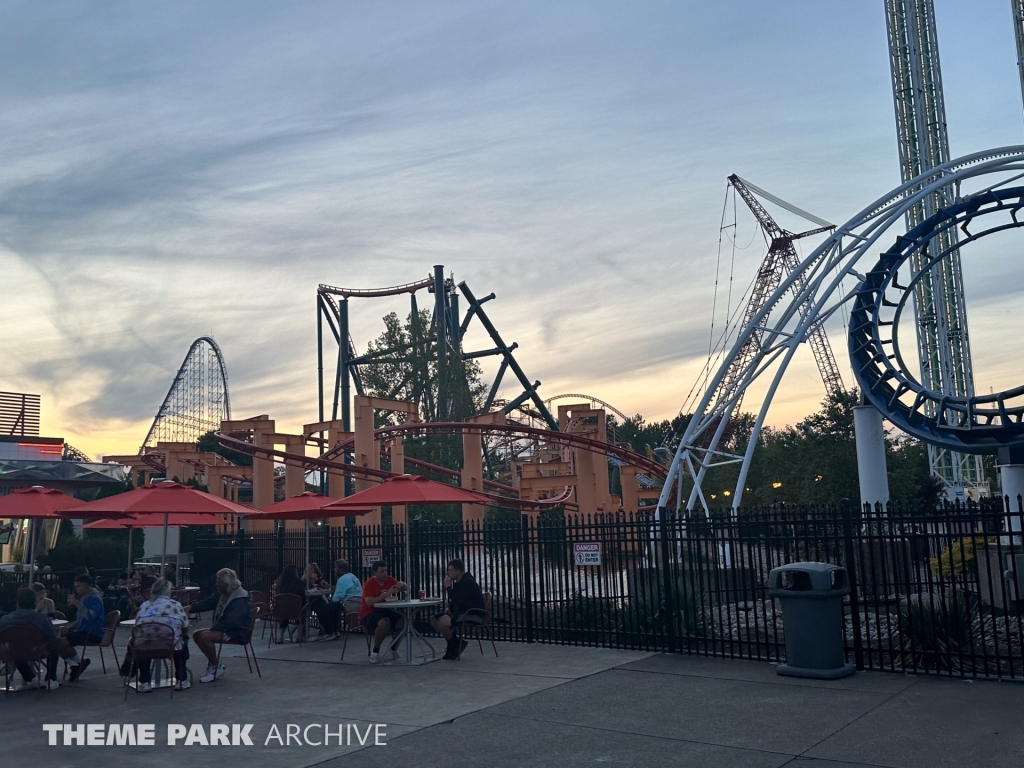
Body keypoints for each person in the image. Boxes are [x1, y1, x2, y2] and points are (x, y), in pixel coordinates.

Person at [0, 587, 84, 689]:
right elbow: (52, 634)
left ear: (17, 602)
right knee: (54, 643)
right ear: (34, 601)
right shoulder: (41, 618)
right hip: (38, 651)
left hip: (14, 653)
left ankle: (30, 678)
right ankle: (51, 678)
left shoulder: (6, 619)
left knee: (16, 648)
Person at [119, 579, 190, 692]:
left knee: (143, 640)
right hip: (170, 647)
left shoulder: (144, 605)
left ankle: (145, 681)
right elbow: (185, 625)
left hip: (145, 648)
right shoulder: (176, 605)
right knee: (182, 640)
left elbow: (137, 626)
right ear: (168, 591)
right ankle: (181, 679)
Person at [185, 568, 251, 683]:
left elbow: (233, 621)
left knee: (205, 636)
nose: (216, 583)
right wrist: (191, 608)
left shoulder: (240, 598)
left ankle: (215, 667)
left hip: (237, 632)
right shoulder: (223, 593)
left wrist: (214, 629)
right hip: (226, 628)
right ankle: (215, 663)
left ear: (226, 583)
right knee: (197, 634)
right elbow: (207, 603)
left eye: (218, 581)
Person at [430, 558, 485, 661]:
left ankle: (453, 647)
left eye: (450, 570)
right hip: (461, 612)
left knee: (442, 621)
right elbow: (455, 600)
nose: (448, 573)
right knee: (434, 619)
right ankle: (456, 643)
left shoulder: (468, 582)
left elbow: (458, 600)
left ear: (458, 571)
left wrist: (448, 587)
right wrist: (449, 608)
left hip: (473, 614)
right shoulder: (459, 583)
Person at [360, 561, 406, 664]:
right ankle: (375, 651)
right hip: (370, 612)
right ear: (375, 573)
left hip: (386, 609)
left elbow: (404, 588)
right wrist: (387, 594)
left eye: (385, 570)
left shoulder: (389, 579)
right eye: (381, 571)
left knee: (404, 621)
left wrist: (402, 585)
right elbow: (369, 602)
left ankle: (393, 647)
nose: (384, 573)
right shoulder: (369, 584)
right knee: (384, 622)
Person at [64, 574, 107, 679]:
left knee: (61, 642)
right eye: (75, 586)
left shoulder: (95, 598)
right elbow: (80, 619)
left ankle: (77, 663)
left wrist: (77, 604)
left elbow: (90, 616)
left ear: (87, 585)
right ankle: (76, 664)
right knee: (58, 640)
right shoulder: (84, 598)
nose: (76, 589)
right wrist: (70, 629)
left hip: (93, 632)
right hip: (82, 631)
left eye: (79, 586)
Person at [312, 559, 361, 639]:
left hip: (348, 604)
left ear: (341, 569)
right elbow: (341, 589)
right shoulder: (352, 577)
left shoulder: (342, 579)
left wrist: (330, 601)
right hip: (356, 603)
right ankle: (336, 631)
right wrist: (329, 586)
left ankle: (329, 632)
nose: (334, 570)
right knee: (333, 608)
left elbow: (338, 596)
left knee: (323, 609)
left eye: (336, 568)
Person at [273, 565, 307, 642]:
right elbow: (303, 597)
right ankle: (299, 635)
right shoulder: (299, 583)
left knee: (285, 613)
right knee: (302, 611)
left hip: (281, 610)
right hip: (296, 610)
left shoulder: (280, 584)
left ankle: (280, 636)